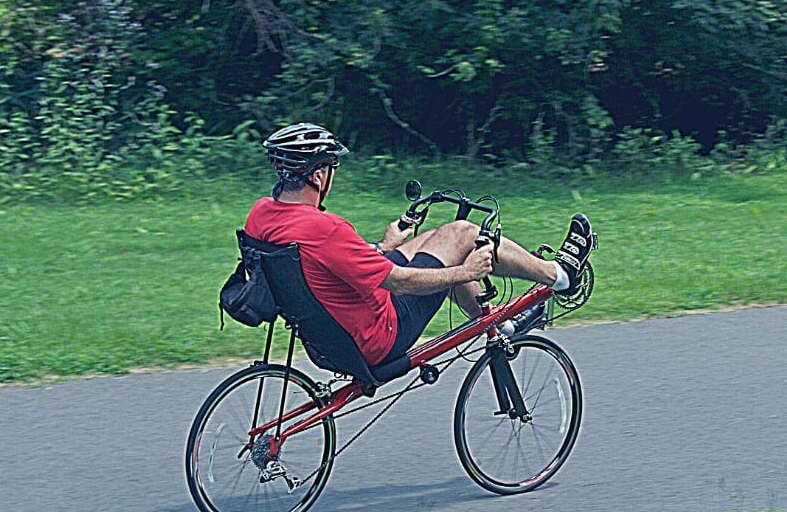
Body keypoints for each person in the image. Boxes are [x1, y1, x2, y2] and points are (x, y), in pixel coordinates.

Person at [244, 122, 595, 368]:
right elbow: (399, 281)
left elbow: (327, 265)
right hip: (378, 335)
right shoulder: (326, 228)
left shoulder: (261, 215)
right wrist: (464, 272)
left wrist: (383, 246)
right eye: (332, 167)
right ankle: (560, 275)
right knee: (461, 236)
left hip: (331, 336)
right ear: (318, 175)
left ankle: (498, 326)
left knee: (435, 237)